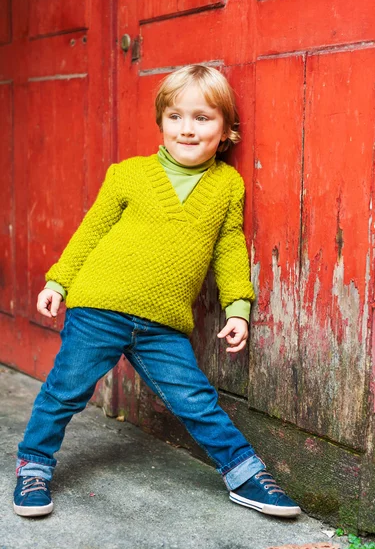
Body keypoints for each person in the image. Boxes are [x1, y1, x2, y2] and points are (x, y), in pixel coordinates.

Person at [13, 65, 301, 519]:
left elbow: (228, 248)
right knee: (65, 390)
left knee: (194, 399)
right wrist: (57, 281)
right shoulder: (128, 174)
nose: (188, 129)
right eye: (176, 116)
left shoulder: (227, 185)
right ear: (161, 121)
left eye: (203, 118)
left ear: (227, 130)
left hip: (162, 323)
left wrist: (238, 308)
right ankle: (34, 465)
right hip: (99, 307)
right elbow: (91, 231)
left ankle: (245, 472)